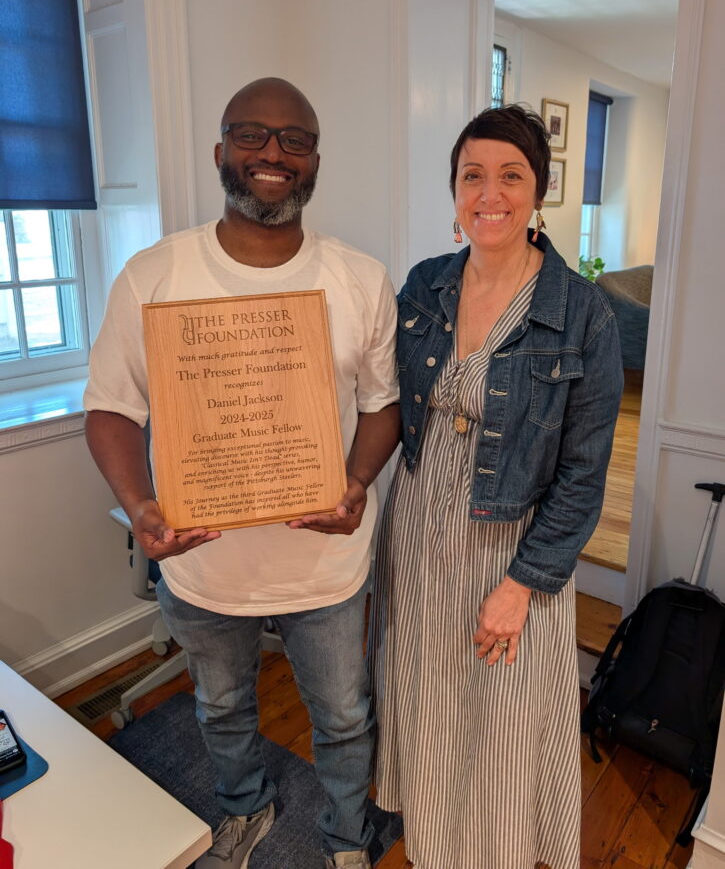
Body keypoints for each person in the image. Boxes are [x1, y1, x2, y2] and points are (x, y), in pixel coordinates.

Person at [84, 77, 400, 869]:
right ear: (221, 149)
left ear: (314, 160)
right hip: (202, 563)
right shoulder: (152, 276)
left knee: (342, 715)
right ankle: (242, 810)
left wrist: (357, 481)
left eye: (293, 140)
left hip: (324, 563)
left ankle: (344, 839)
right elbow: (111, 410)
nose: (271, 154)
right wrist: (139, 502)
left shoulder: (359, 279)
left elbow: (382, 405)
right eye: (252, 135)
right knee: (220, 708)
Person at [368, 104, 623, 869]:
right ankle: (435, 849)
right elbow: (380, 401)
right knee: (429, 698)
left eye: (510, 175)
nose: (490, 192)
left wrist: (522, 583)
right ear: (454, 191)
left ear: (537, 191)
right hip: (415, 528)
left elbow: (582, 475)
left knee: (501, 720)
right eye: (472, 175)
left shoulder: (581, 314)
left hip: (510, 541)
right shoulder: (425, 285)